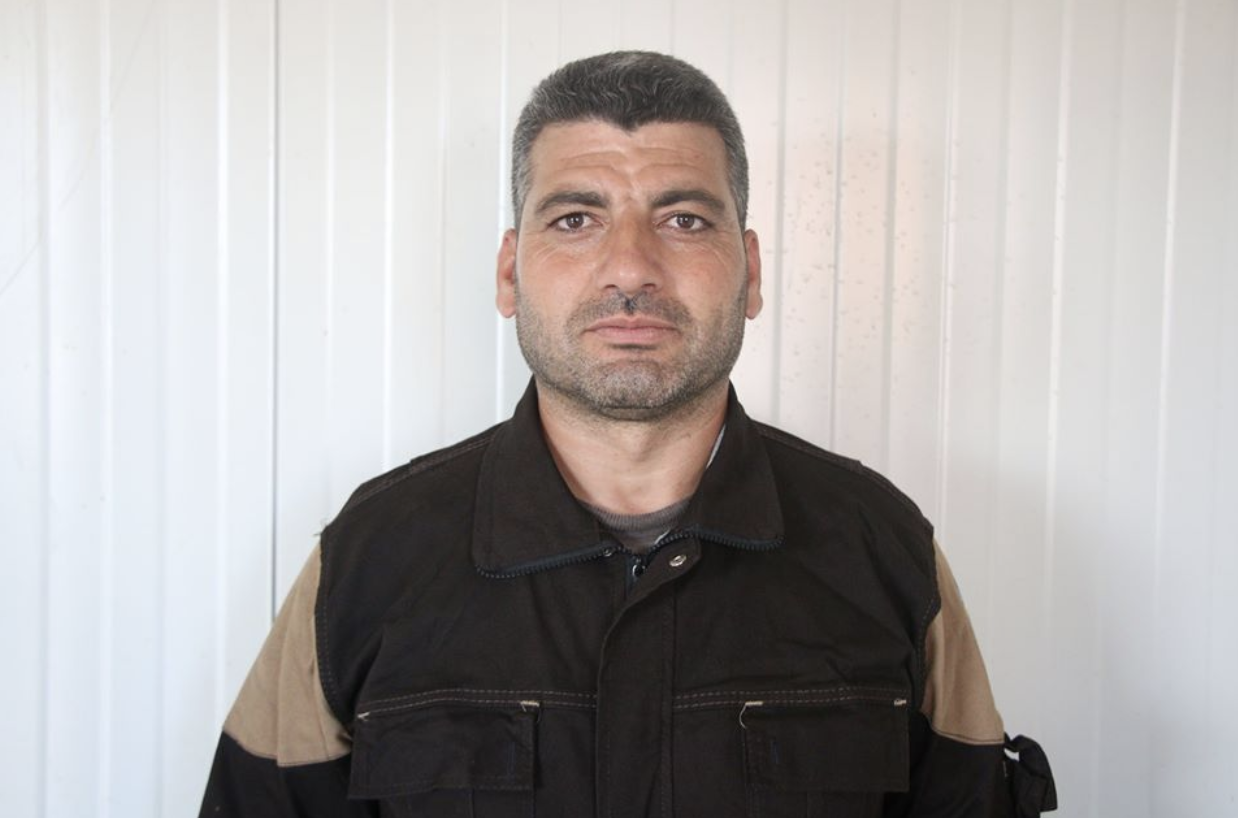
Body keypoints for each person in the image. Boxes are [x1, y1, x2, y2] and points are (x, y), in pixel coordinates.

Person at [199, 51, 1055, 817]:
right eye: (576, 219)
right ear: (510, 272)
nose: (631, 268)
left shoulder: (884, 552)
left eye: (684, 220)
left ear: (752, 272)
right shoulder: (368, 560)